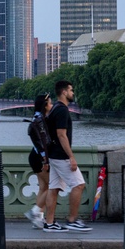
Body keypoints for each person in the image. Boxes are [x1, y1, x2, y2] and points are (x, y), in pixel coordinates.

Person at [43, 79, 91, 232]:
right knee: (78, 184)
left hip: (53, 155)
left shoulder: (54, 108)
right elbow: (61, 135)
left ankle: (49, 223)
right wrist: (71, 156)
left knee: (54, 188)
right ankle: (72, 220)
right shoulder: (62, 110)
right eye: (71, 90)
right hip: (61, 155)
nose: (73, 93)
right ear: (64, 92)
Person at [24, 92, 53, 229]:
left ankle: (38, 219)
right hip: (40, 158)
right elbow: (42, 142)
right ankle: (35, 212)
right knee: (53, 186)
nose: (52, 105)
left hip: (35, 156)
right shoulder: (40, 119)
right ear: (45, 105)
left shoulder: (38, 117)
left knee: (43, 187)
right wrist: (45, 160)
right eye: (50, 103)